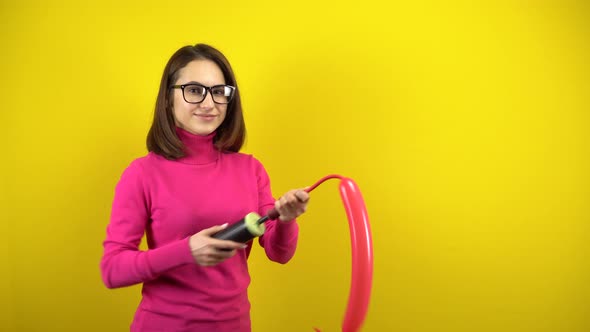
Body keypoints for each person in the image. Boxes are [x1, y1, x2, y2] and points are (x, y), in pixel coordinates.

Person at [100, 43, 310, 332]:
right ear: (167, 99)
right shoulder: (142, 174)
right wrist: (186, 251)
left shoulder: (250, 169)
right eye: (195, 90)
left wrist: (286, 219)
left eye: (219, 92)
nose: (210, 103)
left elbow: (279, 253)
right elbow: (113, 270)